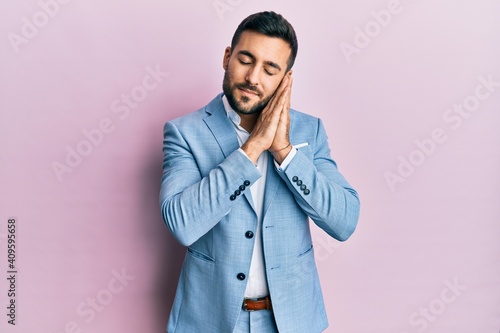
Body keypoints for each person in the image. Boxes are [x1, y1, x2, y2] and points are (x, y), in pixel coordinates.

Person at [159, 11, 360, 333]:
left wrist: (284, 151)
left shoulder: (310, 130)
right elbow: (182, 224)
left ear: (285, 79)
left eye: (270, 69)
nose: (253, 77)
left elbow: (344, 222)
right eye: (246, 60)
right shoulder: (184, 133)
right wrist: (253, 148)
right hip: (209, 320)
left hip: (292, 321)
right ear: (227, 57)